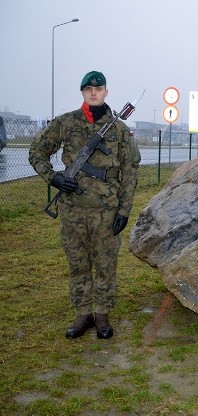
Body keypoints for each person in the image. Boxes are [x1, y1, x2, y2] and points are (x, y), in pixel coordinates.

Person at [29, 71, 141, 339]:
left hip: (106, 211)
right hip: (73, 210)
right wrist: (53, 177)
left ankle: (102, 314)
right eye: (88, 89)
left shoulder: (119, 130)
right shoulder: (66, 123)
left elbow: (131, 171)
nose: (93, 93)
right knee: (78, 263)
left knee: (105, 264)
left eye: (98, 88)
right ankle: (83, 314)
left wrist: (124, 210)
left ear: (106, 92)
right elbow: (37, 151)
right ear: (82, 92)